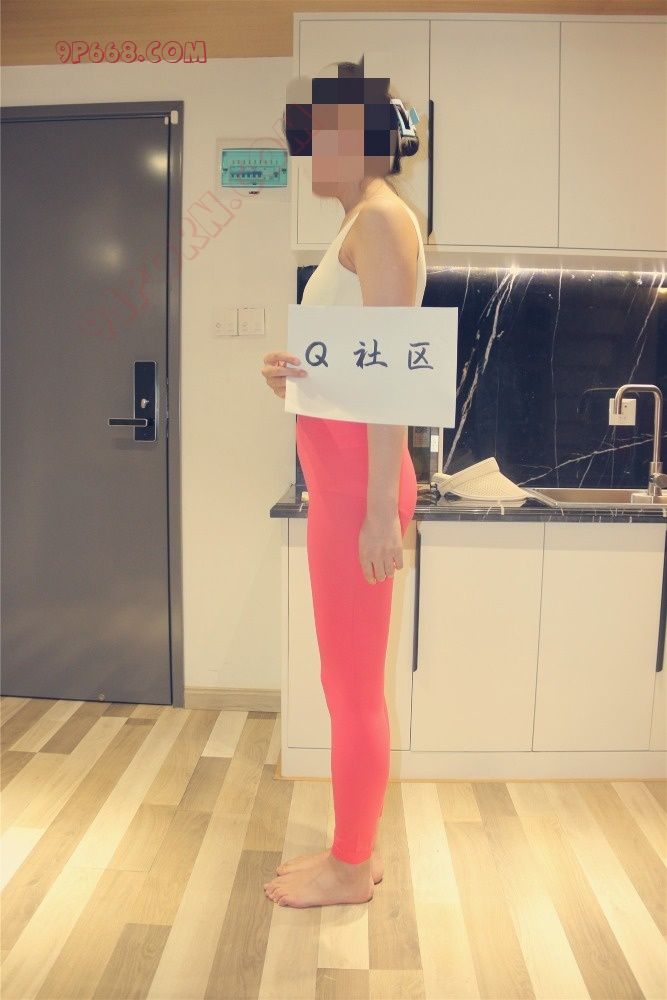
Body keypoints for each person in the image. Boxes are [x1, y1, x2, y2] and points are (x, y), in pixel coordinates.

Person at [260, 57, 426, 908]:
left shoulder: (383, 221)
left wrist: (376, 514)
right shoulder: (357, 224)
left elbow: (394, 379)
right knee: (344, 683)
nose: (308, 153)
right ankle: (355, 846)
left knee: (352, 688)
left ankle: (350, 867)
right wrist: (290, 378)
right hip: (342, 486)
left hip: (358, 491)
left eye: (322, 135)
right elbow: (358, 371)